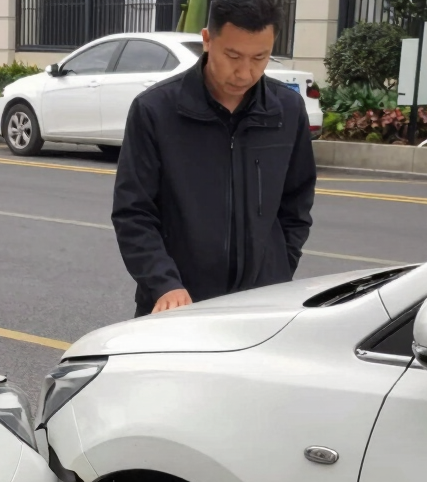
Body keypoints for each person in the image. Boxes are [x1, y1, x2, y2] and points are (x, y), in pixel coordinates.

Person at [112, 0, 315, 316]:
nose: (245, 72)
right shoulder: (156, 111)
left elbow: (296, 204)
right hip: (178, 305)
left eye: (259, 58)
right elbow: (134, 212)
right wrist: (164, 284)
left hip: (261, 306)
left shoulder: (286, 111)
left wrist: (280, 269)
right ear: (207, 40)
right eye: (233, 56)